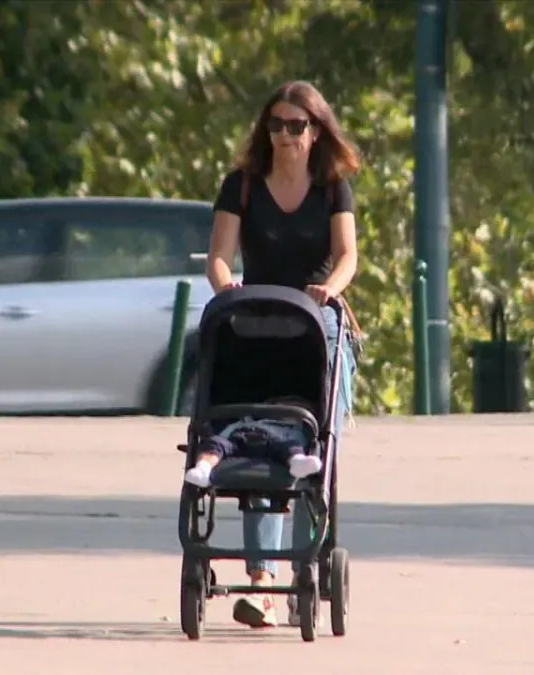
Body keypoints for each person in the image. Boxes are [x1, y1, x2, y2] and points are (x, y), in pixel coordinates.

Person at [205, 79, 360, 629]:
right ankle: (264, 583)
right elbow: (219, 257)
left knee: (312, 444)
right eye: (277, 124)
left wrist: (332, 291)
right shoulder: (242, 185)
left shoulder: (332, 188)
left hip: (316, 323)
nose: (286, 135)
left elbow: (347, 257)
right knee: (257, 438)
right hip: (258, 321)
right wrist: (227, 290)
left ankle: (305, 576)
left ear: (316, 132)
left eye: (297, 126)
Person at [183, 396, 323, 488]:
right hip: (241, 437)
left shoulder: (294, 426)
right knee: (215, 444)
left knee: (290, 446)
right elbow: (225, 433)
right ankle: (203, 468)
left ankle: (298, 462)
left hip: (276, 441)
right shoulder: (250, 418)